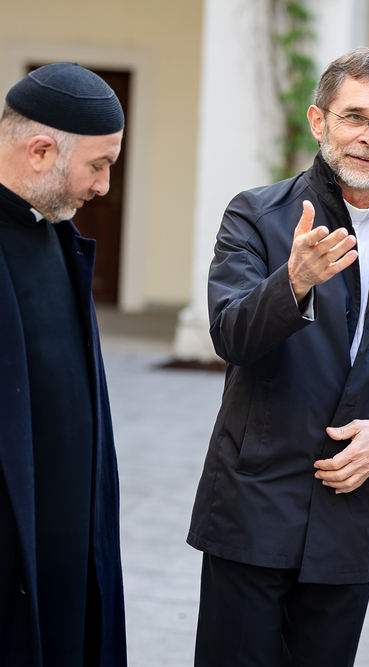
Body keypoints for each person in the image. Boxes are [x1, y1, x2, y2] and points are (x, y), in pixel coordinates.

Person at [187, 47, 369, 666]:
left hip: (349, 514)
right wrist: (293, 282)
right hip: (254, 507)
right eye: (354, 116)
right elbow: (230, 337)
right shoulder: (255, 216)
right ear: (318, 121)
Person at [0, 62, 126, 665]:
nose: (104, 186)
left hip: (71, 551)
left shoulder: (54, 232)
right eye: (98, 165)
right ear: (41, 152)